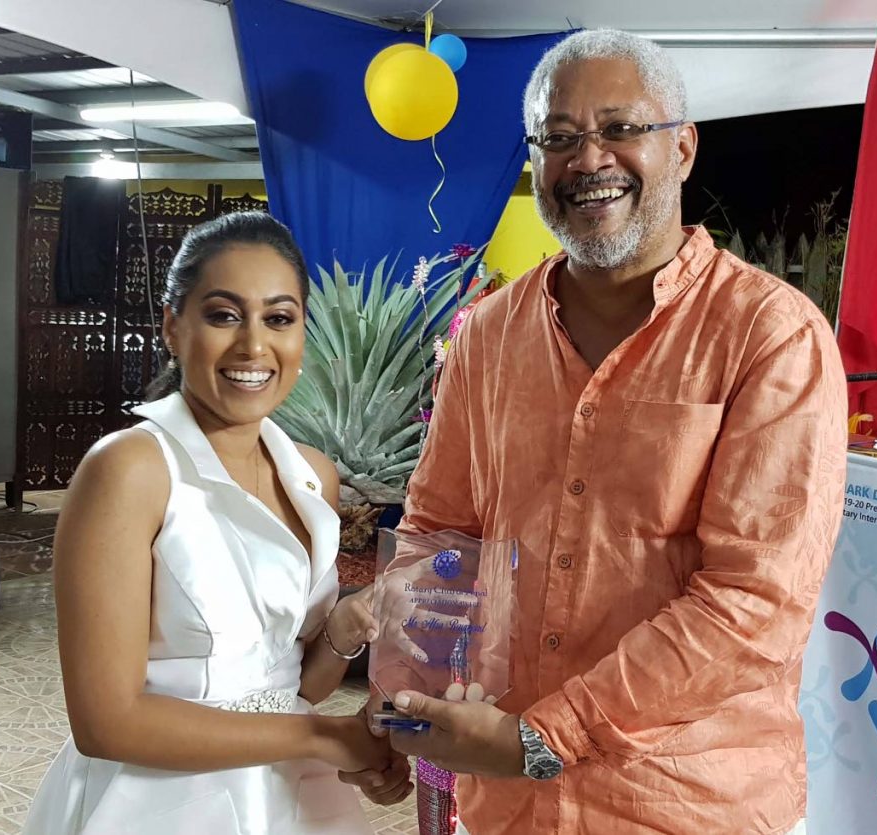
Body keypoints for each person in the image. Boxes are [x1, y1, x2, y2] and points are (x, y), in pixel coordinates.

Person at [361, 29, 848, 835]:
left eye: (621, 129)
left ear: (683, 147)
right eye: (559, 137)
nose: (589, 159)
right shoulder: (485, 335)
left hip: (687, 803)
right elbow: (442, 532)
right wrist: (405, 695)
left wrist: (540, 739)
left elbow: (753, 604)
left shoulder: (770, 336)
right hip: (508, 806)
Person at [23, 212, 412, 835]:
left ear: (302, 336)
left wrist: (339, 634)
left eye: (278, 318)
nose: (253, 346)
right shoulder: (128, 471)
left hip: (285, 795)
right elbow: (104, 723)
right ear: (174, 328)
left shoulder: (312, 477)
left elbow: (288, 688)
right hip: (157, 805)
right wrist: (323, 738)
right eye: (223, 315)